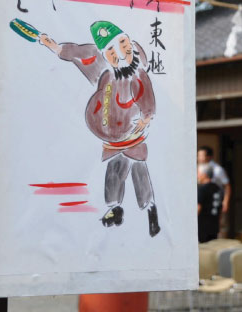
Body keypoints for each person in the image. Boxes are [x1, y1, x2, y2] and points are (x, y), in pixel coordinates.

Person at [39, 20, 160, 237]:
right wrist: (55, 47)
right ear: (105, 56)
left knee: (139, 170)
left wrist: (146, 117)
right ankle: (115, 208)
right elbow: (81, 54)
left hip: (133, 134)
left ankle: (150, 209)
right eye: (113, 51)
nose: (121, 53)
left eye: (123, 44)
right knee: (115, 170)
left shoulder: (138, 73)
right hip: (112, 137)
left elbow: (147, 98)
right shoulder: (105, 75)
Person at [197, 146, 230, 214]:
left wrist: (225, 201)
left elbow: (227, 186)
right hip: (201, 198)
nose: (199, 158)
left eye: (201, 155)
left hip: (214, 198)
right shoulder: (198, 167)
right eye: (198, 155)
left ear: (209, 156)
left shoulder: (217, 169)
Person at [197, 164, 223, 243]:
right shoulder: (218, 188)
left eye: (198, 173)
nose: (197, 175)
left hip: (203, 226)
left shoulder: (202, 189)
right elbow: (220, 207)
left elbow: (198, 207)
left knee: (203, 251)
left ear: (204, 175)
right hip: (214, 225)